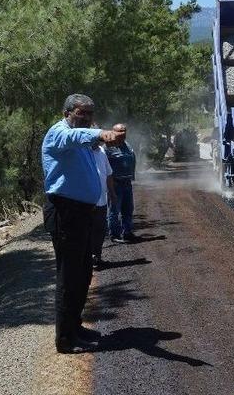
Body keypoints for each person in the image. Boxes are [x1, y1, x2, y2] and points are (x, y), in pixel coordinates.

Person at [41, 94, 124, 354]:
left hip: (83, 213)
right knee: (68, 276)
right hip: (65, 213)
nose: (86, 118)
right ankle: (65, 339)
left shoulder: (84, 140)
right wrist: (102, 133)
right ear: (67, 112)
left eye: (90, 113)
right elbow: (75, 137)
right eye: (81, 113)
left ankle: (75, 327)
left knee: (84, 272)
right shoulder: (59, 133)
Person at [106, 123, 137, 244]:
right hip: (115, 184)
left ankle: (127, 232)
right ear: (113, 132)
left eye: (124, 131)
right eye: (120, 131)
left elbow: (133, 159)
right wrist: (110, 185)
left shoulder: (127, 146)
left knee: (128, 209)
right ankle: (114, 235)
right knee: (114, 210)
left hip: (127, 183)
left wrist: (132, 175)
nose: (123, 133)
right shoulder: (108, 148)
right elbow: (105, 167)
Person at [90, 138, 115, 270]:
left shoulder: (101, 152)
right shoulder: (85, 152)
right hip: (89, 202)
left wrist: (112, 193)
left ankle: (97, 258)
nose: (98, 141)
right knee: (89, 231)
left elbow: (109, 174)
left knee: (100, 231)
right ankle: (89, 259)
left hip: (102, 201)